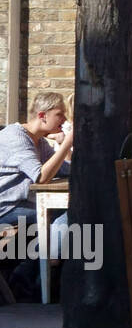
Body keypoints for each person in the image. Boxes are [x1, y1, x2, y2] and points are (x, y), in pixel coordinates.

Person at [0, 92, 74, 228]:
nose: (64, 119)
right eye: (59, 114)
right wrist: (67, 143)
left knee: (75, 206)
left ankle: (44, 248)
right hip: (6, 208)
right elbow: (41, 177)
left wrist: (65, 143)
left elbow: (65, 169)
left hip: (25, 203)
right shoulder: (16, 138)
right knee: (70, 211)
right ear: (42, 116)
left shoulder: (39, 141)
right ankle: (44, 249)